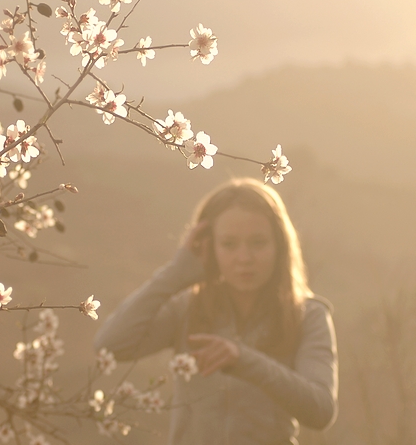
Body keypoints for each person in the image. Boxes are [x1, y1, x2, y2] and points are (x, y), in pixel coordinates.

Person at [94, 178, 338, 445]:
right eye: (229, 244)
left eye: (258, 243)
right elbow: (111, 345)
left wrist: (243, 359)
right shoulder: (188, 307)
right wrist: (177, 272)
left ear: (280, 246)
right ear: (209, 247)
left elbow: (321, 410)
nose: (244, 258)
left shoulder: (308, 315)